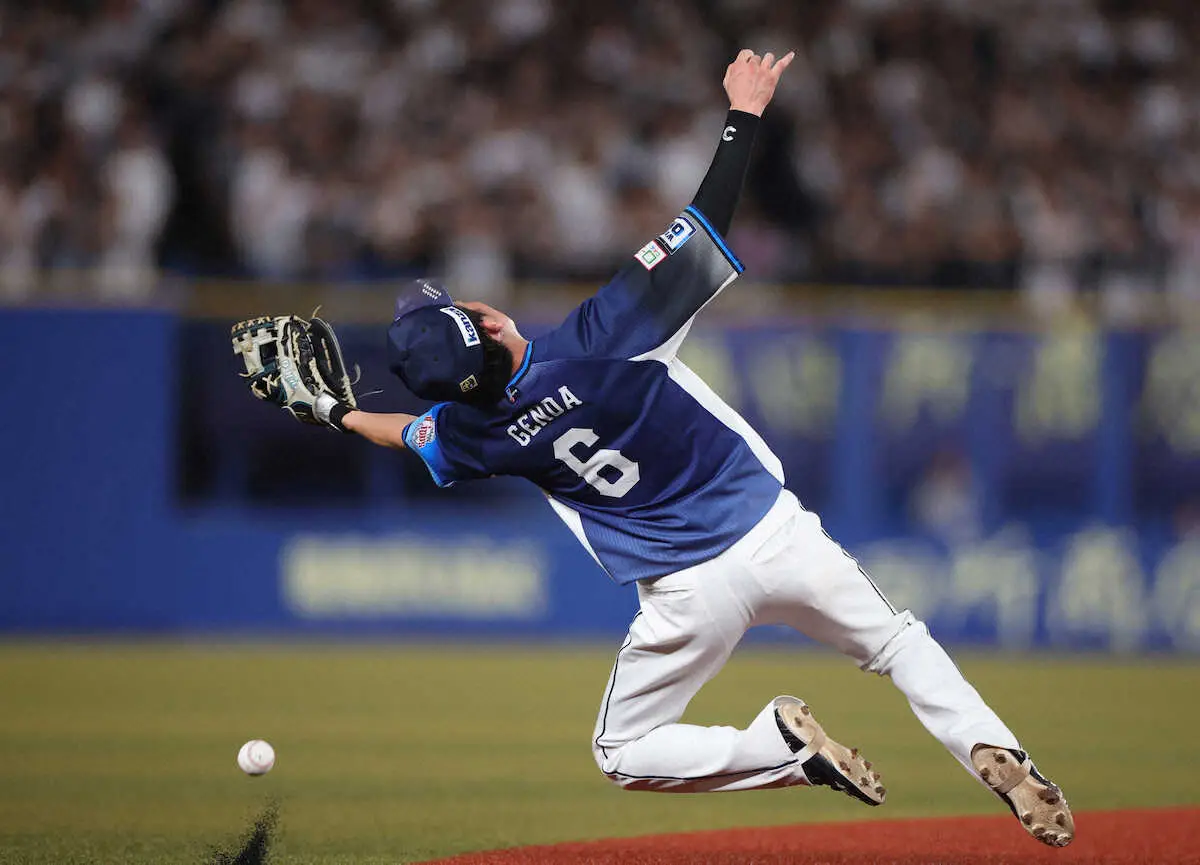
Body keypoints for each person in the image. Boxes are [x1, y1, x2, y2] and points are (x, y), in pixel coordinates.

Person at [307, 50, 1074, 847]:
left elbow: (410, 433)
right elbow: (707, 219)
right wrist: (743, 116)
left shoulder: (477, 434)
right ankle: (993, 745)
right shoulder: (603, 337)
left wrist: (335, 411)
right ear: (492, 323)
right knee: (896, 641)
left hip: (685, 597)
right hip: (777, 535)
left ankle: (775, 750)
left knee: (621, 749)